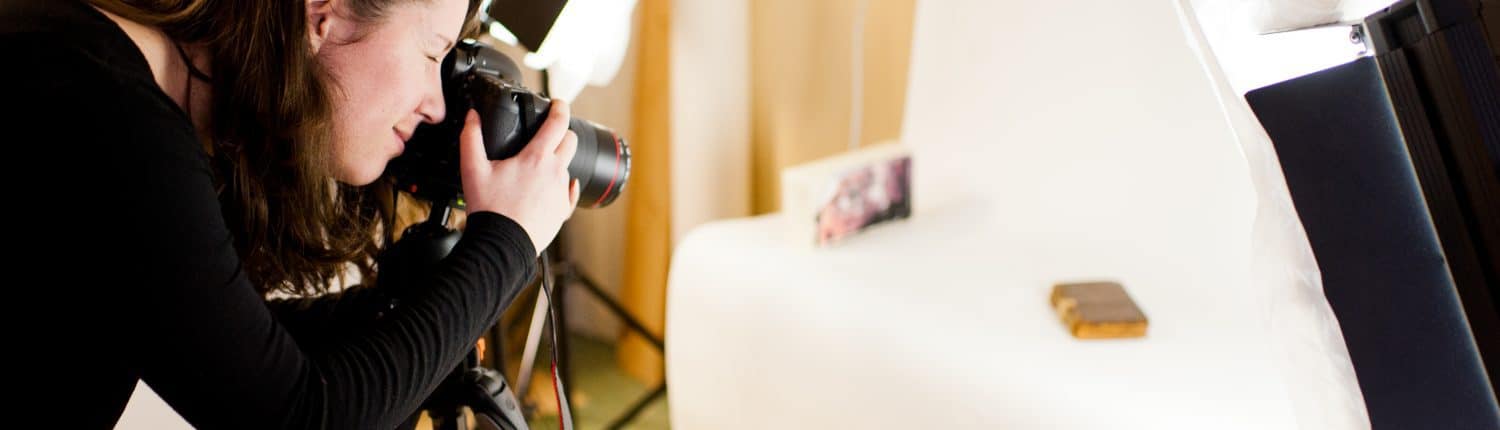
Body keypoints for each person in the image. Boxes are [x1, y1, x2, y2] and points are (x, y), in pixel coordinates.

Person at [1, 0, 579, 428]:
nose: (434, 104)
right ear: (324, 14)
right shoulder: (107, 117)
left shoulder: (122, 85)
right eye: (431, 52)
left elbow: (236, 350)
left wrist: (388, 310)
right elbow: (298, 416)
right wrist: (507, 243)